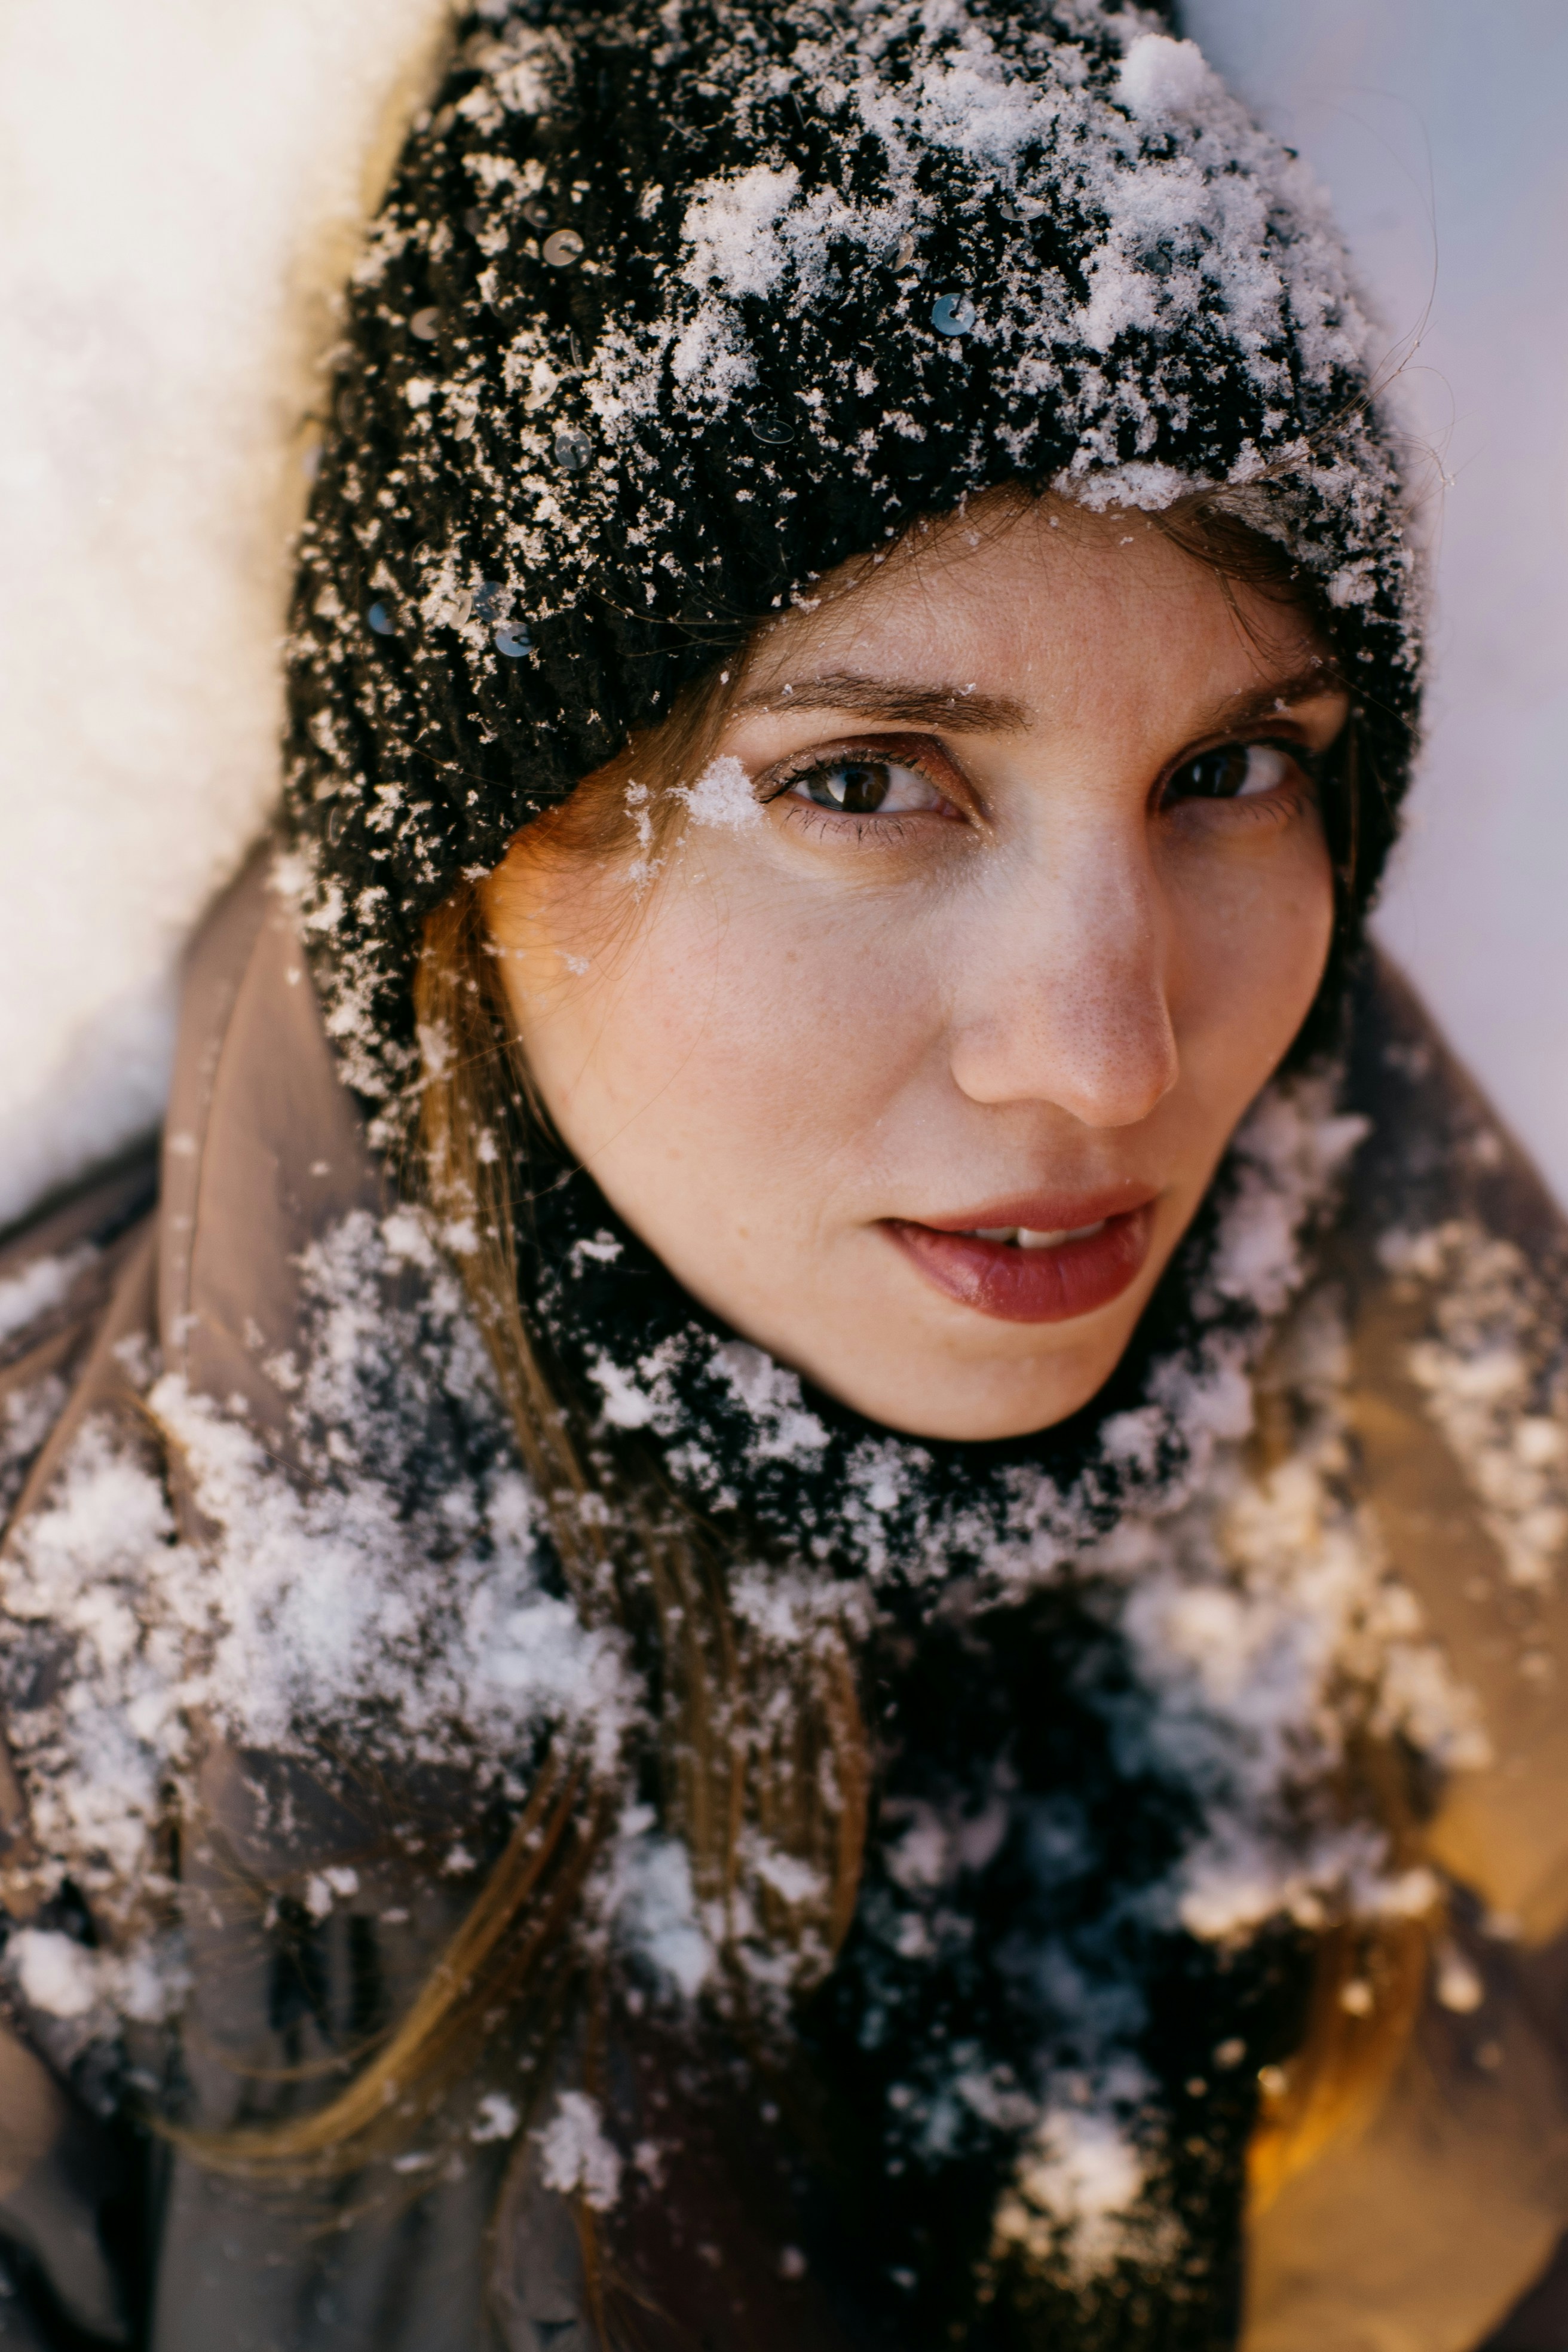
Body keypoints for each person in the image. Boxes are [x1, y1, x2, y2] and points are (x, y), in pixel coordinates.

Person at [2, 2, 1567, 2346]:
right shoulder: (71, 1791)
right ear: (469, 843)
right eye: (861, 781)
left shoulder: (1449, 1504)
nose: (1107, 1056)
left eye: (1231, 769)